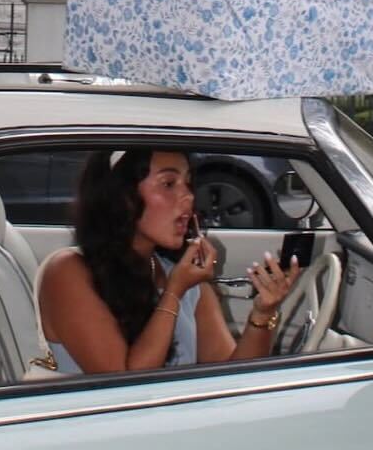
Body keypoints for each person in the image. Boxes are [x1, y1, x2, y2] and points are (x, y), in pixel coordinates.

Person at [37, 148, 303, 375]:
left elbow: (233, 377)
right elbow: (125, 390)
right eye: (168, 184)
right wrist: (173, 293)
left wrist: (263, 313)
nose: (188, 197)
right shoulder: (67, 272)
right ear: (123, 196)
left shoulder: (183, 279)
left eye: (188, 183)